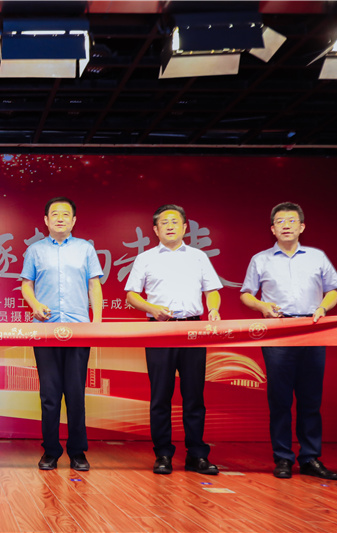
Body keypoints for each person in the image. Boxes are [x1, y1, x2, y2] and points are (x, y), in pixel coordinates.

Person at [240, 202, 337, 481]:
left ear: (302, 226)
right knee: (280, 399)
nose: (286, 225)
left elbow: (334, 290)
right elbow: (246, 294)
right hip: (279, 331)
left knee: (311, 399)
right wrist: (262, 306)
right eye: (280, 221)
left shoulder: (317, 257)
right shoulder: (260, 260)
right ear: (273, 229)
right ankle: (283, 458)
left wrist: (323, 307)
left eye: (291, 221)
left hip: (313, 328)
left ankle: (310, 458)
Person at [125, 204, 222, 476]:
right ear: (155, 230)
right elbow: (131, 295)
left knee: (194, 395)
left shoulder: (198, 257)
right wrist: (152, 309)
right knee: (160, 396)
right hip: (159, 330)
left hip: (193, 330)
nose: (169, 226)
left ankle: (197, 455)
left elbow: (212, 290)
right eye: (164, 222)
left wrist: (213, 309)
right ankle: (163, 454)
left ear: (184, 227)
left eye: (175, 222)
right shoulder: (145, 258)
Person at [20, 197, 103, 471]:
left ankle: (78, 451)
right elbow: (26, 285)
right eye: (54, 214)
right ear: (45, 220)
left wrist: (97, 322)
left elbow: (94, 286)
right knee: (50, 395)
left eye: (65, 214)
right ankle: (51, 451)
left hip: (79, 330)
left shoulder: (85, 249)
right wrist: (35, 305)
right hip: (45, 331)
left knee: (76, 394)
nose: (59, 218)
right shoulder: (35, 250)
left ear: (73, 220)